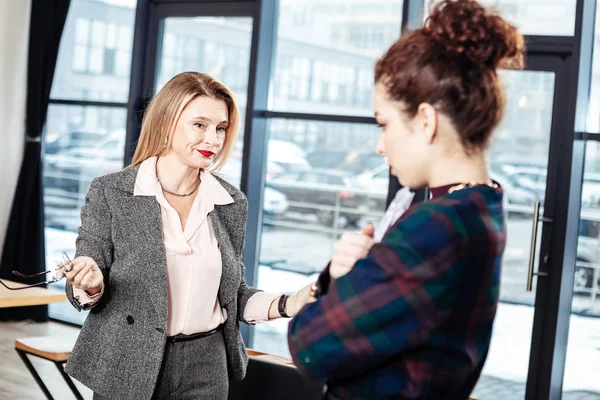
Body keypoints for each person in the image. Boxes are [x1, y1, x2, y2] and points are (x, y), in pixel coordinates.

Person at [288, 0, 524, 398]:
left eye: (384, 124)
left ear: (426, 121)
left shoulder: (437, 227)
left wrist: (343, 279)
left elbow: (309, 346)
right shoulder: (481, 206)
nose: (381, 146)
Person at [61, 72, 313, 400]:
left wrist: (289, 303)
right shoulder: (112, 192)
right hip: (129, 362)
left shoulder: (230, 202)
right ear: (167, 122)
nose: (212, 140)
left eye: (220, 128)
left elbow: (231, 295)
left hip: (206, 365)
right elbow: (83, 275)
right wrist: (90, 282)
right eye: (200, 125)